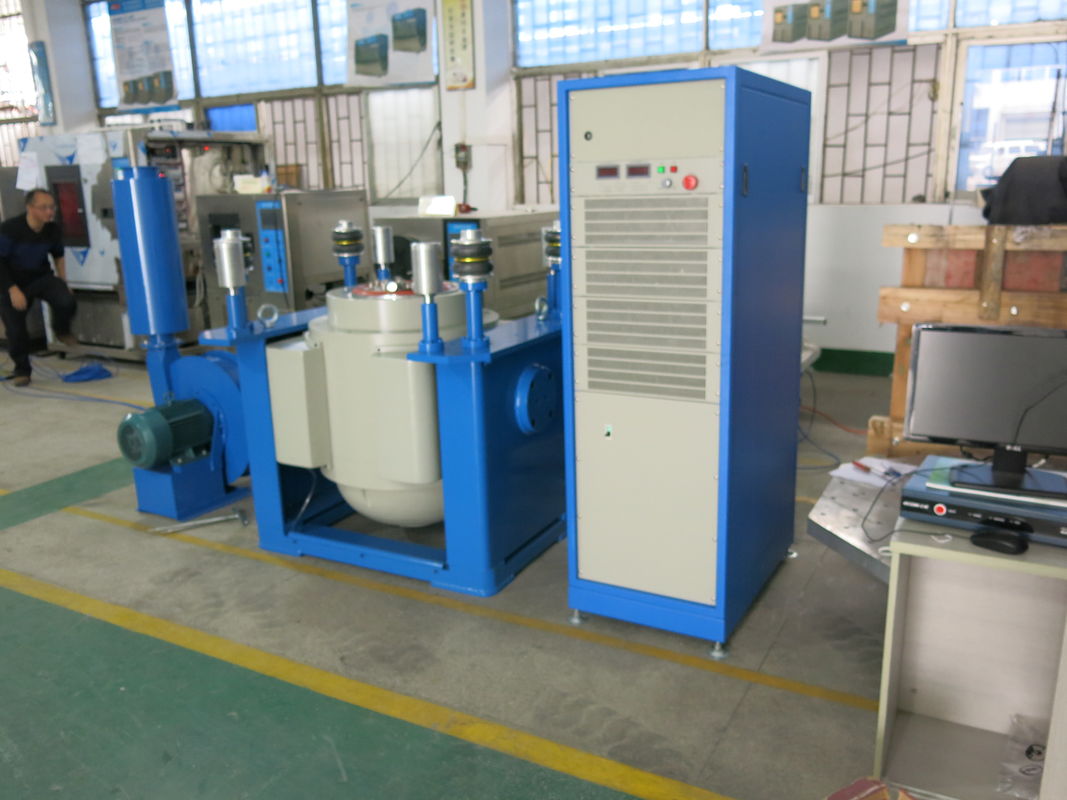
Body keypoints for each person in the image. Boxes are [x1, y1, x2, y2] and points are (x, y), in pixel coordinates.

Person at [0, 188, 78, 386]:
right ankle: (22, 370)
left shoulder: (52, 229)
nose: (49, 212)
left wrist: (64, 282)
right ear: (30, 208)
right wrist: (12, 289)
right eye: (44, 208)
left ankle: (61, 329)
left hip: (40, 277)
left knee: (66, 300)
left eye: (52, 207)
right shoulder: (10, 229)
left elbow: (58, 255)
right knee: (16, 330)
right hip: (10, 282)